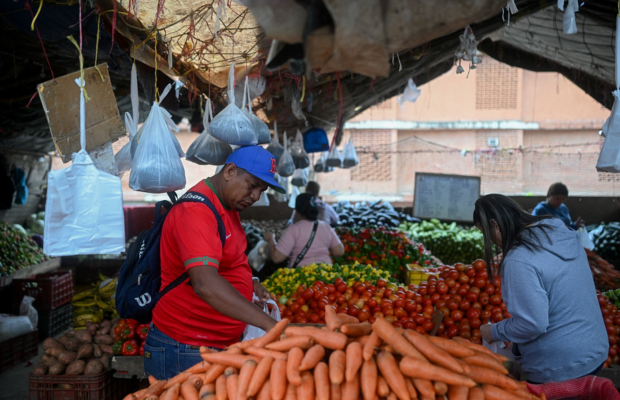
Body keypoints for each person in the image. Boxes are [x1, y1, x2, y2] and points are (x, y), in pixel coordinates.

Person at [145, 146, 286, 379]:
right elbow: (205, 284)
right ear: (230, 171)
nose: (256, 196)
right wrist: (269, 324)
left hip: (213, 345)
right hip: (187, 347)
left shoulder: (226, 205)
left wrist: (250, 281)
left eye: (262, 190)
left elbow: (228, 257)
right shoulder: (196, 211)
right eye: (252, 186)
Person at [475, 194, 607, 383]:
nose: (491, 242)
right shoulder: (556, 228)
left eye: (486, 234)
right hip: (594, 350)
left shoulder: (518, 259)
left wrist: (493, 331)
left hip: (561, 367)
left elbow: (532, 324)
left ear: (495, 225)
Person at [265, 193, 344, 268]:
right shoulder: (325, 226)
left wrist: (271, 239)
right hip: (325, 273)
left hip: (302, 274)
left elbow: (277, 258)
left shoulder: (294, 229)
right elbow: (339, 251)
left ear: (296, 212)